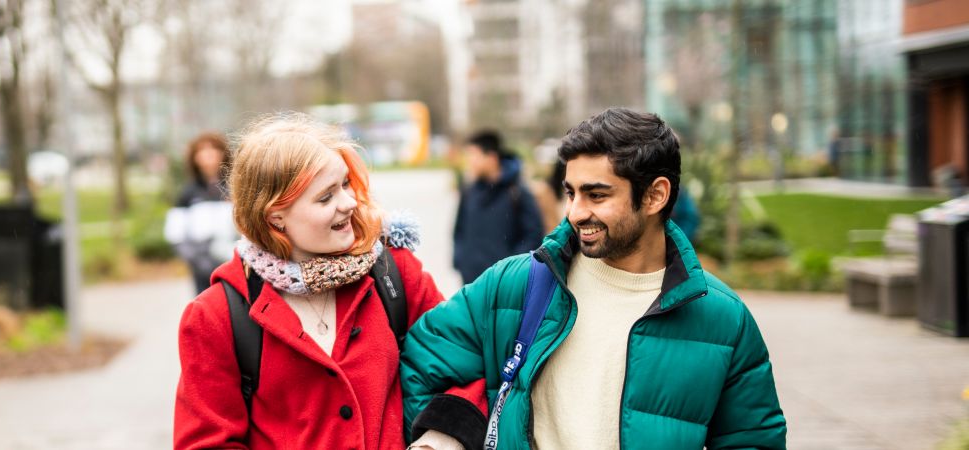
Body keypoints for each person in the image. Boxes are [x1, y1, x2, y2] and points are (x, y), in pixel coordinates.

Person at [402, 108, 786, 450]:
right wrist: (450, 434)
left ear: (655, 196)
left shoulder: (724, 319)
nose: (574, 212)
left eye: (596, 195)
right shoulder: (513, 285)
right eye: (570, 192)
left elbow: (753, 440)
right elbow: (419, 365)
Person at [174, 112, 449, 449]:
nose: (349, 203)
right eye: (325, 197)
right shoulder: (215, 317)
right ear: (275, 217)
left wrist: (439, 438)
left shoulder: (395, 274)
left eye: (345, 184)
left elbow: (459, 365)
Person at [453, 130, 544, 284]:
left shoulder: (517, 192)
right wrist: (460, 262)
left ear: (491, 157)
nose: (470, 162)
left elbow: (533, 235)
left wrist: (510, 270)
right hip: (471, 286)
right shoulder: (469, 190)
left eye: (474, 156)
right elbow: (459, 230)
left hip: (505, 286)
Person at [164, 133, 238, 293]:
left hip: (234, 259)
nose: (209, 155)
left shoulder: (237, 188)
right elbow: (175, 233)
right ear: (194, 157)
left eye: (213, 149)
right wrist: (196, 259)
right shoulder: (188, 193)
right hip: (202, 263)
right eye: (203, 150)